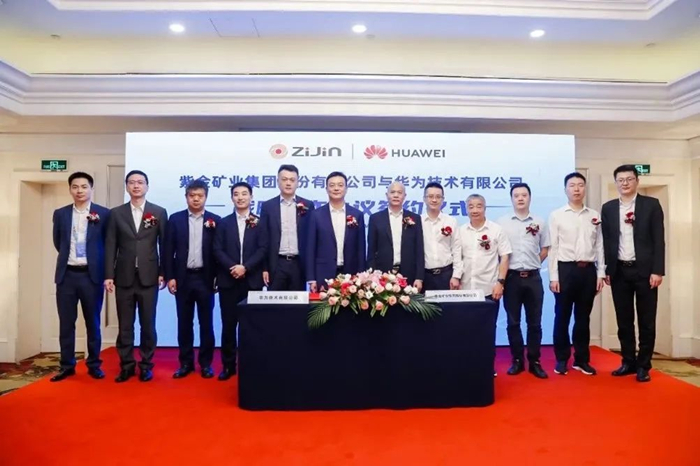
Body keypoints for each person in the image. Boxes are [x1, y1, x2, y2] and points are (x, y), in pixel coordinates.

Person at [601, 165, 665, 382]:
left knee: (647, 320)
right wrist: (607, 269)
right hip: (619, 270)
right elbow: (606, 241)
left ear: (637, 181)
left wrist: (658, 270)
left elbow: (659, 240)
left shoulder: (651, 205)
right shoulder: (608, 208)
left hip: (645, 272)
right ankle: (628, 361)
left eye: (629, 179)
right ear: (616, 183)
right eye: (620, 180)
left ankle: (644, 365)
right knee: (624, 321)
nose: (625, 183)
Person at [104, 170, 168, 383]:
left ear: (147, 186)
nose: (136, 186)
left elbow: (164, 246)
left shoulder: (158, 212)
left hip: (149, 278)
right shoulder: (116, 213)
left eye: (140, 182)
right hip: (123, 277)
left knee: (148, 325)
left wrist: (163, 272)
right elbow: (111, 245)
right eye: (132, 182)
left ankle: (147, 365)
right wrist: (109, 274)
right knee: (125, 326)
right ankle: (127, 366)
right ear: (126, 187)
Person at [50, 172, 110, 382]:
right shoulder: (61, 214)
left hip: (91, 276)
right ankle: (67, 366)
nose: (79, 191)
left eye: (84, 186)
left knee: (93, 323)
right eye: (75, 187)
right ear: (70, 189)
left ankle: (94, 364)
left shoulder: (104, 214)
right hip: (67, 275)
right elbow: (58, 242)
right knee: (66, 323)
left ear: (91, 189)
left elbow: (107, 244)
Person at [548, 172, 605, 376]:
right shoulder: (557, 215)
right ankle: (562, 359)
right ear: (565, 189)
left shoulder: (594, 215)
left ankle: (581, 360)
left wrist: (600, 273)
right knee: (562, 316)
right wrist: (553, 277)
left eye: (580, 185)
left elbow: (599, 245)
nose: (577, 189)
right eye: (572, 185)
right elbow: (553, 248)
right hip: (565, 270)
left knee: (583, 318)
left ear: (585, 188)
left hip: (588, 271)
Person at [163, 179, 221, 379]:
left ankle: (206, 364)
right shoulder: (175, 219)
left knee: (207, 324)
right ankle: (186, 363)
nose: (196, 199)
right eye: (192, 195)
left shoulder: (215, 220)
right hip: (183, 278)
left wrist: (217, 278)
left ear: (206, 197)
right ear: (186, 197)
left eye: (200, 196)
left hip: (206, 278)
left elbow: (218, 253)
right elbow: (168, 250)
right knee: (184, 323)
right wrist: (170, 276)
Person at [213, 182, 266, 380]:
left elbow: (263, 248)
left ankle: (250, 365)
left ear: (251, 197)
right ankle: (228, 366)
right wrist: (233, 267)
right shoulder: (223, 223)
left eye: (245, 194)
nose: (241, 197)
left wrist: (246, 267)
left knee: (252, 326)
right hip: (228, 281)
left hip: (252, 281)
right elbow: (217, 249)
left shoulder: (259, 222)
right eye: (236, 194)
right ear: (232, 198)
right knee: (228, 325)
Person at [497, 183, 550, 379]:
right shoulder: (502, 223)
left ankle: (535, 361)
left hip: (533, 278)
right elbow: (499, 252)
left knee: (535, 323)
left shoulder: (540, 221)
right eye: (516, 195)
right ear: (511, 199)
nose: (520, 198)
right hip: (511, 278)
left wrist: (534, 263)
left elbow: (545, 248)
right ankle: (517, 360)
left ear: (530, 197)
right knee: (513, 322)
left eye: (524, 195)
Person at [458, 194, 511, 377]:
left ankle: (488, 366)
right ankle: (468, 365)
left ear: (485, 208)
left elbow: (505, 257)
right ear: (466, 209)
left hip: (489, 289)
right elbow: (457, 258)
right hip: (465, 290)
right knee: (466, 330)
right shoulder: (460, 231)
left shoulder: (496, 230)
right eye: (471, 206)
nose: (475, 210)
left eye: (478, 206)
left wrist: (500, 283)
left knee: (487, 330)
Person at [306, 172, 366, 291]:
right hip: (323, 274)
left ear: (346, 189)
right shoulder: (316, 215)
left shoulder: (357, 215)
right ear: (326, 189)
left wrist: (362, 276)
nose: (336, 188)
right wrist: (311, 278)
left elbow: (361, 249)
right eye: (332, 185)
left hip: (351, 274)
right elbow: (310, 248)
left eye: (340, 185)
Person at [259, 165, 315, 291]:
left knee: (297, 302)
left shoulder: (308, 205)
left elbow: (311, 238)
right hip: (276, 263)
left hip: (298, 263)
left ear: (298, 182)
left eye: (292, 180)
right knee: (274, 302)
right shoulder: (268, 206)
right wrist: (264, 268)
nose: (288, 183)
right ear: (277, 181)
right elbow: (263, 239)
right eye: (284, 179)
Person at [367, 181, 424, 287]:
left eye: (399, 192)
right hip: (382, 275)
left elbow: (419, 250)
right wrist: (372, 276)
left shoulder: (415, 218)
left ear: (404, 196)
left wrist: (419, 277)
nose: (396, 195)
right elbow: (371, 251)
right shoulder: (375, 219)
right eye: (392, 192)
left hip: (409, 274)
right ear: (387, 195)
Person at [421, 182, 462, 291]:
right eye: (430, 196)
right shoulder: (418, 221)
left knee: (449, 303)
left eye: (438, 197)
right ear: (424, 199)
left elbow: (457, 249)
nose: (434, 200)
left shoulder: (451, 221)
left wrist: (456, 276)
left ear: (443, 199)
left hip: (446, 275)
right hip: (425, 276)